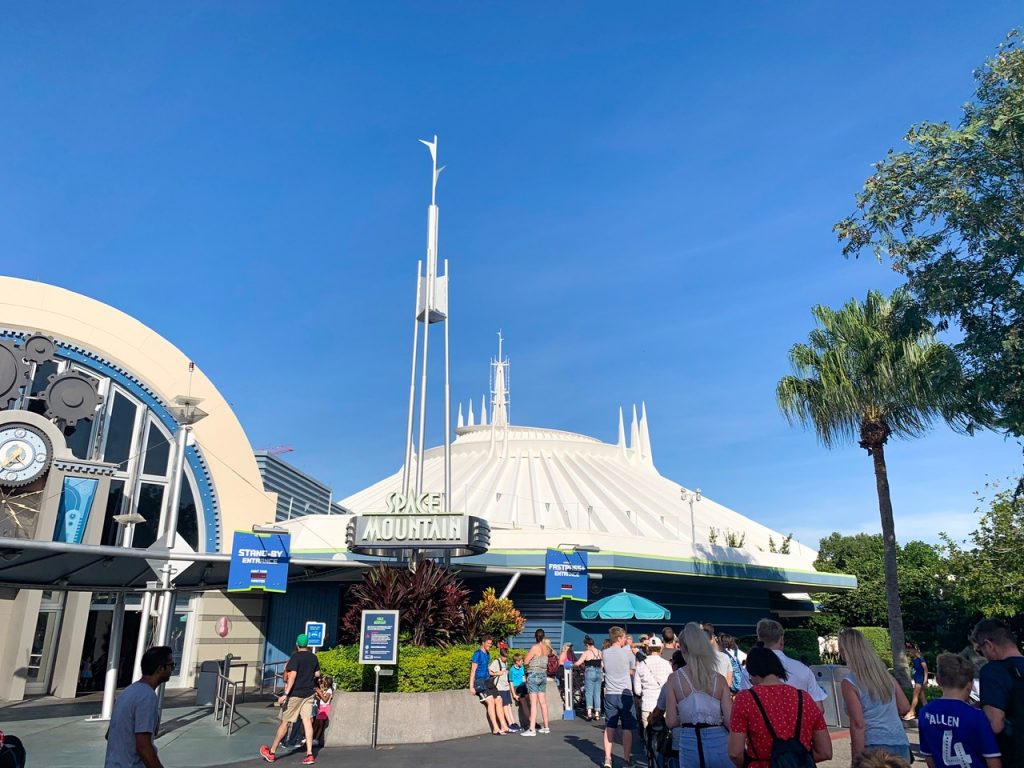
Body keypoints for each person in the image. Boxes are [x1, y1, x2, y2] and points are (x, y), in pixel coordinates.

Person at [728, 646, 832, 768]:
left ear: (752, 672)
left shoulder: (745, 699)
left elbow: (735, 753)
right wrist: (794, 760)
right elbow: (825, 751)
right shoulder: (804, 698)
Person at [664, 622, 732, 768]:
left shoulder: (674, 679)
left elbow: (670, 721)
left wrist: (688, 715)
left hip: (689, 740)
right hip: (718, 739)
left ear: (682, 647)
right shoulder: (719, 679)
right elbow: (730, 721)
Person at [838, 628, 912, 763]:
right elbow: (904, 707)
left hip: (874, 746)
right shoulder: (885, 676)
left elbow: (858, 724)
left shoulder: (850, 682)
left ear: (844, 651)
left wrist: (857, 760)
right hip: (900, 742)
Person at [918, 653, 1001, 768]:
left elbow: (928, 757)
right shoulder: (977, 716)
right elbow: (992, 759)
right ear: (970, 685)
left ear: (938, 680)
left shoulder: (925, 713)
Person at [104, 645, 174, 768]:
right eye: (171, 665)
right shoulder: (147, 697)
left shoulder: (128, 691)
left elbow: (109, 734)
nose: (172, 669)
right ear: (160, 668)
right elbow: (143, 746)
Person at [260, 633, 321, 764]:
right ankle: (310, 754)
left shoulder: (295, 657)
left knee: (285, 722)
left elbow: (292, 677)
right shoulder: (313, 657)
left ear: (297, 644)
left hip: (295, 694)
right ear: (308, 645)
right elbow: (317, 673)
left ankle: (272, 752)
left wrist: (285, 694)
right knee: (307, 722)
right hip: (309, 693)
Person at [971, 619, 1024, 763]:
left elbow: (995, 723)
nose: (983, 656)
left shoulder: (993, 671)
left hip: (1014, 756)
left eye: (980, 651)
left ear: (988, 645)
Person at [755, 618, 828, 711]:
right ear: (781, 640)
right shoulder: (803, 669)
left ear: (758, 639)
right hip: (799, 722)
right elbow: (819, 709)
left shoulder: (751, 671)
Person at [602, 625, 637, 768]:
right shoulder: (628, 654)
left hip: (610, 693)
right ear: (619, 638)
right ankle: (627, 759)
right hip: (625, 693)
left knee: (610, 726)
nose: (625, 640)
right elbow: (633, 670)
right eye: (624, 638)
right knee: (627, 728)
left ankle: (607, 759)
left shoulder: (604, 652)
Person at [471, 635, 509, 735]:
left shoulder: (488, 654)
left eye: (490, 644)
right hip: (479, 682)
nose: (489, 645)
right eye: (488, 643)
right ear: (483, 643)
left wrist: (497, 673)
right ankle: (495, 728)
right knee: (491, 701)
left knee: (499, 699)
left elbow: (488, 669)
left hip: (488, 681)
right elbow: (473, 670)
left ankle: (503, 725)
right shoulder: (477, 654)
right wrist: (471, 686)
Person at [634, 636, 672, 730]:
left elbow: (637, 690)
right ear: (661, 648)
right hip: (663, 705)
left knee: (648, 733)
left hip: (647, 703)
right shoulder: (667, 664)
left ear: (648, 648)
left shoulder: (641, 665)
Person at [522, 628, 551, 736]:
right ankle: (546, 727)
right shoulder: (546, 648)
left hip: (534, 674)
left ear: (535, 636)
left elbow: (526, 661)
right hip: (543, 674)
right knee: (543, 702)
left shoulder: (535, 647)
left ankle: (532, 729)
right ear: (543, 637)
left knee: (533, 703)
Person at [490, 643, 520, 732]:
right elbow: (490, 672)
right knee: (504, 706)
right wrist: (497, 673)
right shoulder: (496, 662)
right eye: (504, 657)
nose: (505, 658)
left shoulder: (506, 662)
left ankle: (513, 722)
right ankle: (509, 724)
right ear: (500, 655)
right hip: (500, 687)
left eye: (506, 657)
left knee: (508, 705)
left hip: (506, 687)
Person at [574, 635, 604, 721]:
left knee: (589, 693)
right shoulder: (599, 652)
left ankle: (590, 712)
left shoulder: (586, 653)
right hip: (599, 672)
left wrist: (572, 664)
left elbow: (578, 663)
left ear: (587, 644)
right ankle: (598, 713)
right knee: (597, 693)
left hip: (590, 671)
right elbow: (602, 665)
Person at [700, 623, 735, 692]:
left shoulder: (697, 658)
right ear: (712, 640)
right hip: (721, 695)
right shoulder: (725, 657)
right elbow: (729, 681)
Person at [904, 644, 929, 721]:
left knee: (915, 695)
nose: (909, 652)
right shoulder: (914, 659)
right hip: (917, 679)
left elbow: (926, 670)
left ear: (915, 650)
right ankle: (929, 713)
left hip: (920, 680)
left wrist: (925, 680)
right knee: (922, 698)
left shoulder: (921, 659)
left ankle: (912, 712)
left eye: (910, 650)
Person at [311, 675, 333, 748]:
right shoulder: (326, 690)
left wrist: (320, 693)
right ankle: (312, 738)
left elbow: (325, 700)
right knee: (317, 723)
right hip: (321, 707)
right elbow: (321, 699)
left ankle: (316, 739)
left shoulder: (329, 691)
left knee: (320, 724)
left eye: (323, 682)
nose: (322, 683)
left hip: (325, 708)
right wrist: (317, 694)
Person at [509, 651, 530, 726]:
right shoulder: (512, 670)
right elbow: (511, 682)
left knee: (530, 702)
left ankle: (532, 720)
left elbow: (523, 677)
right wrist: (514, 694)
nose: (523, 662)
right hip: (517, 688)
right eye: (521, 661)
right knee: (523, 704)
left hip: (523, 686)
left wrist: (526, 685)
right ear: (517, 661)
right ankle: (529, 722)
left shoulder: (522, 667)